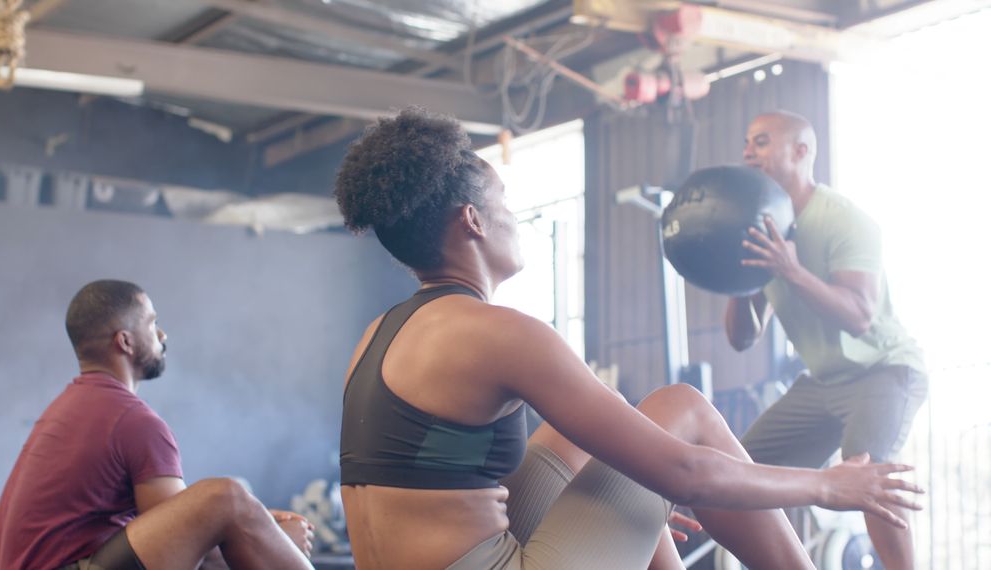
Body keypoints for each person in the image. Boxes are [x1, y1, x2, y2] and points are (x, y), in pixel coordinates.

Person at [333, 107, 923, 570]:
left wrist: (621, 519)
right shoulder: (500, 333)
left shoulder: (382, 333)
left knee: (581, 428)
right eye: (504, 202)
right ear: (473, 221)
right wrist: (828, 485)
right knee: (681, 409)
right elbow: (686, 474)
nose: (513, 215)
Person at [0, 280, 315, 570]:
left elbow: (178, 531)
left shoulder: (69, 408)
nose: (162, 334)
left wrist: (260, 526)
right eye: (152, 323)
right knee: (224, 496)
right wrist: (280, 544)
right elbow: (198, 554)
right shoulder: (131, 420)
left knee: (231, 508)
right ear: (125, 342)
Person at [728, 110, 928, 570]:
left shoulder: (843, 219)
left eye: (760, 141)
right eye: (746, 142)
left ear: (800, 152)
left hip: (884, 369)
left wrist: (791, 270)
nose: (746, 152)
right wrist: (736, 281)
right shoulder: (764, 231)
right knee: (740, 472)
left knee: (864, 467)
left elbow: (859, 316)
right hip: (822, 382)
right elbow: (742, 339)